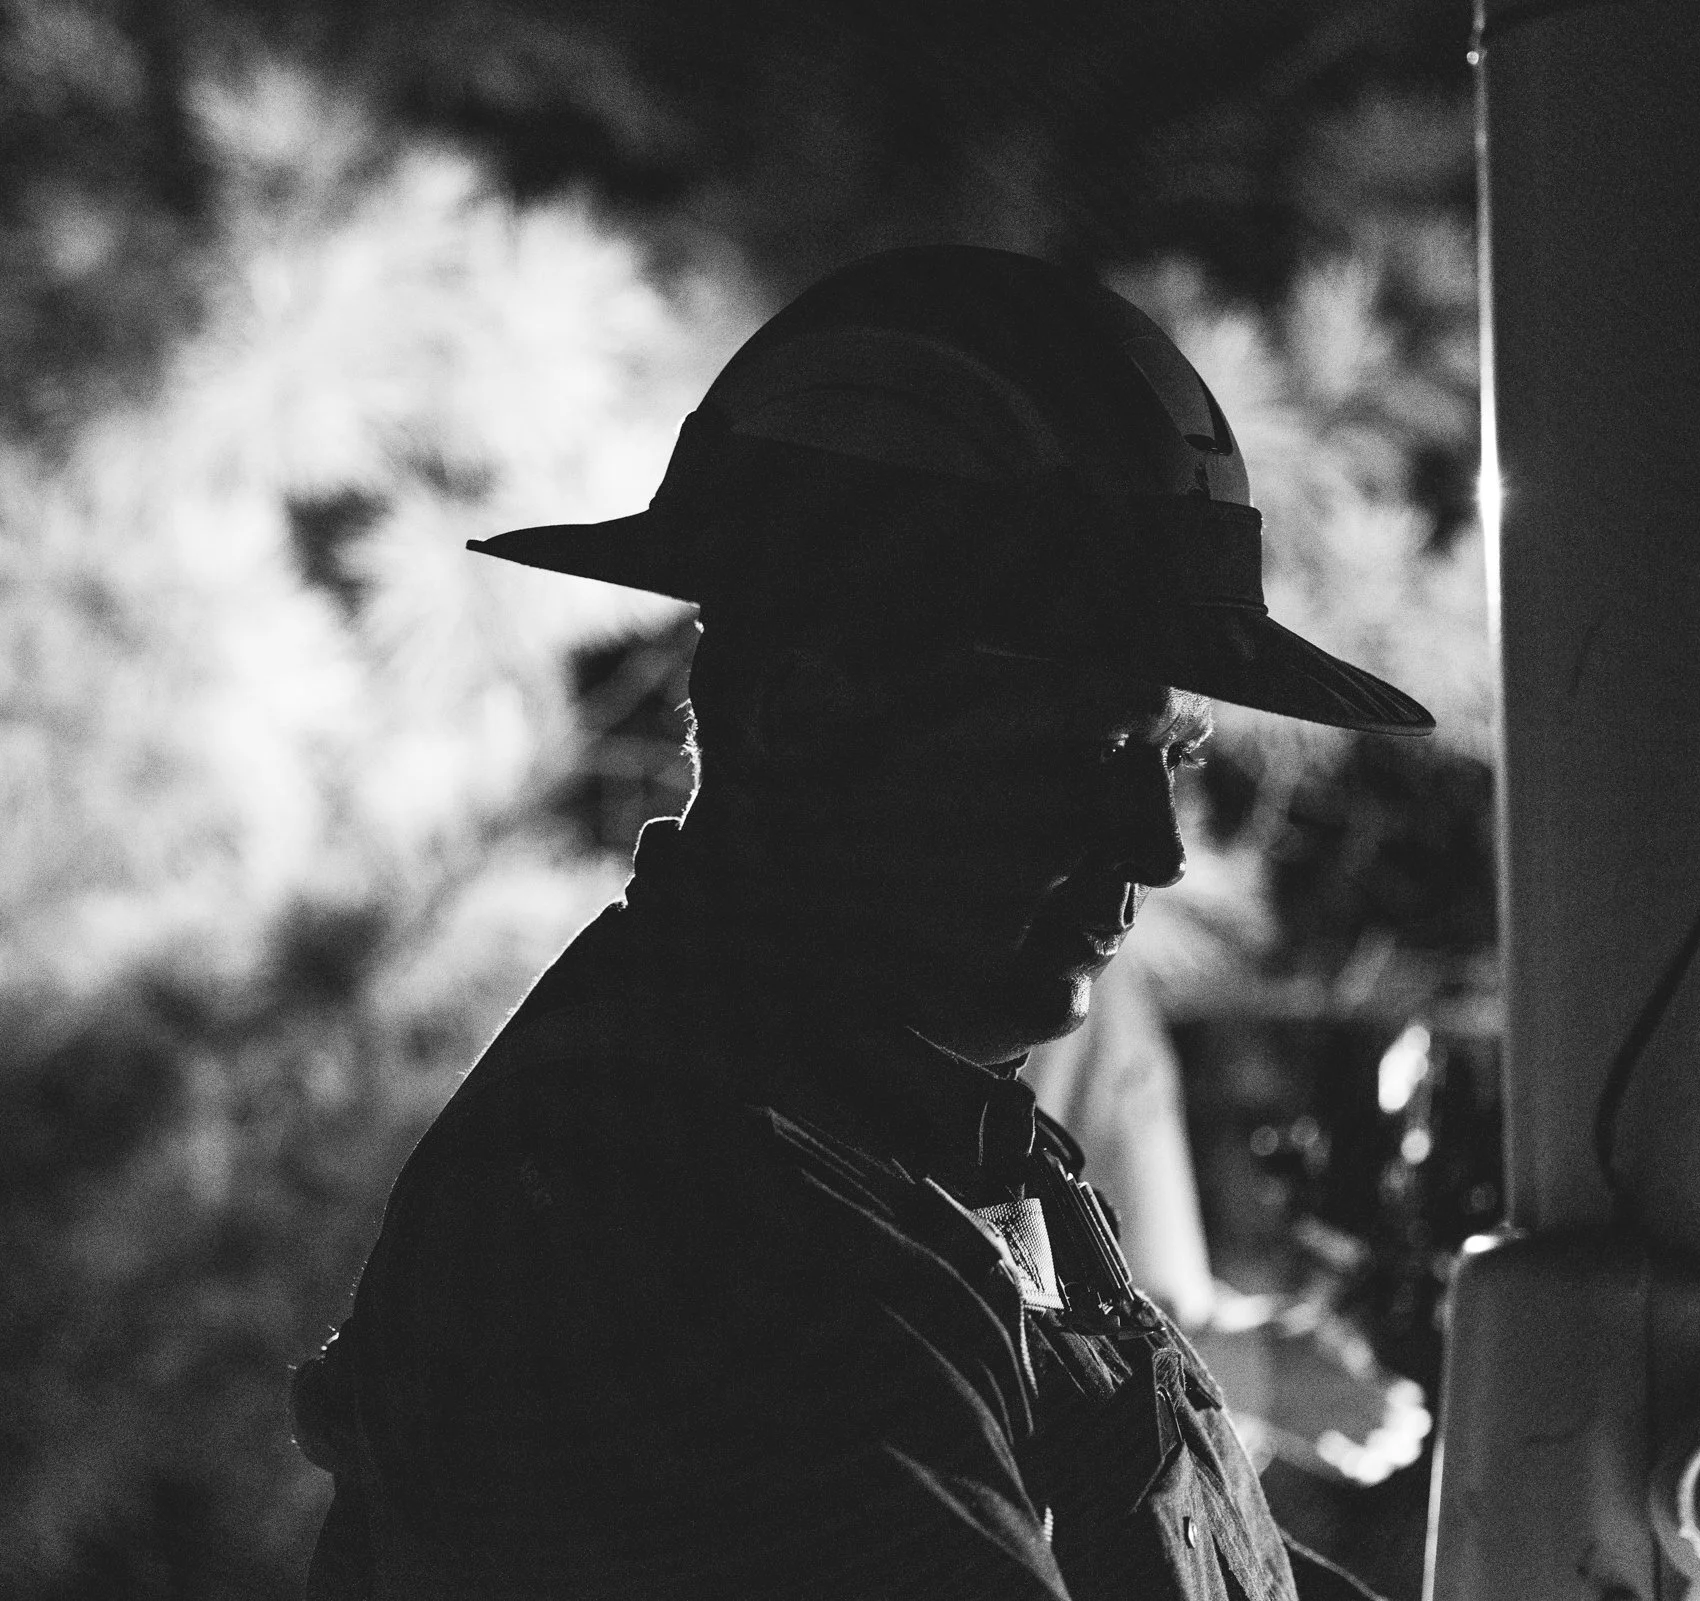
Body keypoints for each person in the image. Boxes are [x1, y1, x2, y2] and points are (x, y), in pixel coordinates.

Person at [290, 246, 1431, 1599]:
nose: (1159, 849)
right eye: (1085, 750)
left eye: (1166, 757)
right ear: (809, 717)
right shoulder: (709, 1238)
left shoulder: (894, 1142)